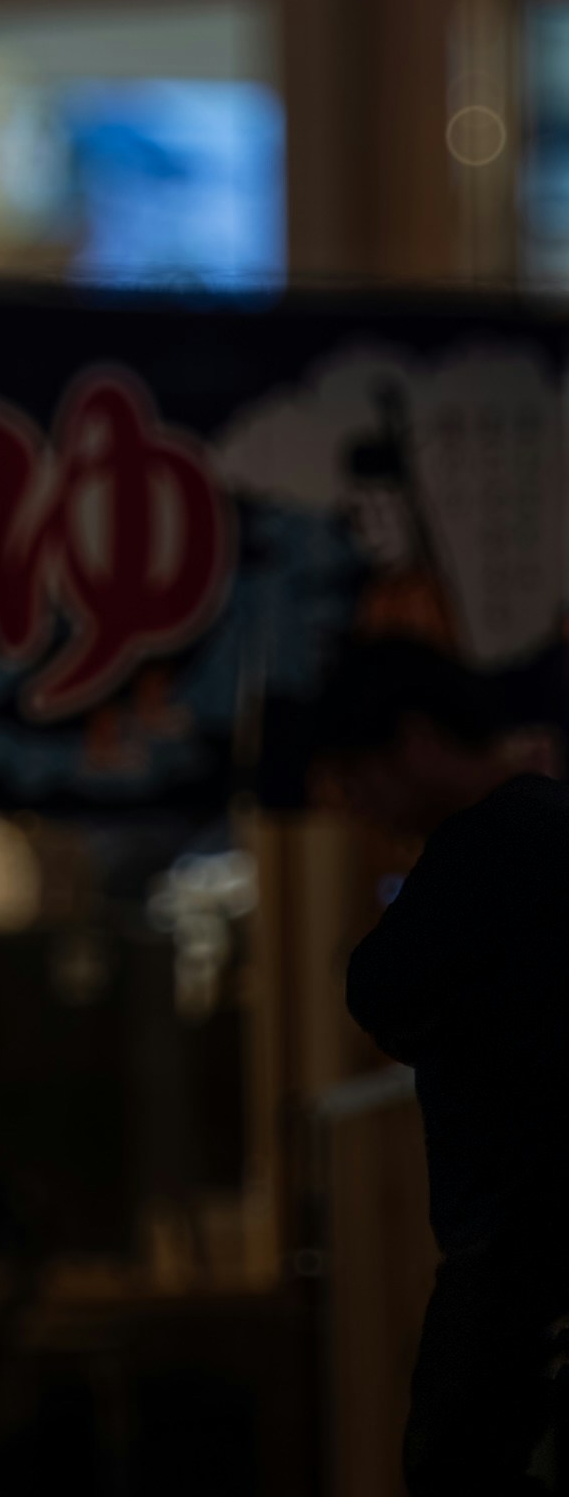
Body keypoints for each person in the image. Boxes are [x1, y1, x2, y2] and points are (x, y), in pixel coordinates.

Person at [324, 633, 569, 1496]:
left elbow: (380, 990)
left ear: (417, 739)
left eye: (359, 778)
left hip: (522, 1262)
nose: (360, 806)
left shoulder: (491, 839)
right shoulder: (548, 821)